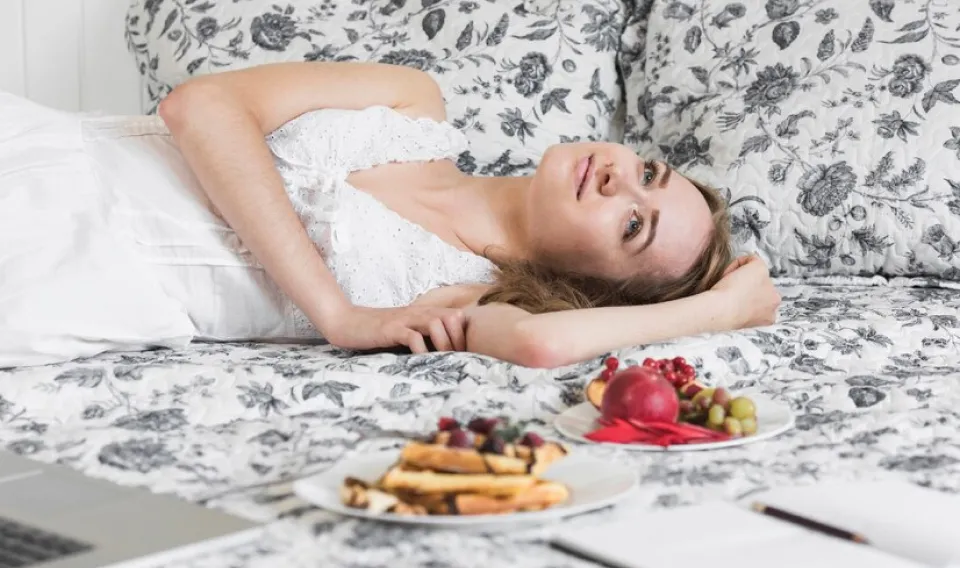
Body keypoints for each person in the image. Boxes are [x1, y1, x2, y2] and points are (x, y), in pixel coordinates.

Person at [0, 62, 780, 368]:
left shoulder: (471, 294)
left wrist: (717, 311)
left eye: (634, 224)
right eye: (649, 172)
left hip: (68, 276)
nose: (619, 179)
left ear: (595, 284)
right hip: (45, 149)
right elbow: (198, 106)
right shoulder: (411, 102)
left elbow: (542, 343)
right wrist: (336, 312)